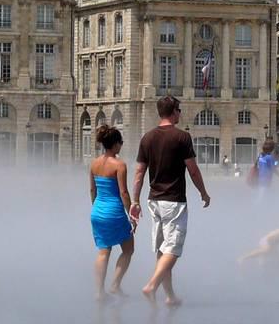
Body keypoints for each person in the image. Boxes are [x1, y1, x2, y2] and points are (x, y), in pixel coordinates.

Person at [134, 96, 212, 307]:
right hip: (174, 201)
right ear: (173, 111)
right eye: (179, 110)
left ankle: (169, 296)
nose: (180, 113)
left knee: (162, 248)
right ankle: (151, 286)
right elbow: (193, 170)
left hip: (154, 200)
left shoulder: (147, 138)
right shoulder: (182, 137)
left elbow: (139, 173)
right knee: (173, 249)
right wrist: (203, 193)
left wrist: (135, 200)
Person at [90, 124, 137, 301]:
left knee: (103, 251)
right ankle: (115, 285)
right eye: (121, 142)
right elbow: (124, 192)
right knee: (128, 249)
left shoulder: (94, 163)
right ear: (116, 144)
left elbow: (92, 190)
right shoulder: (119, 165)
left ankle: (99, 292)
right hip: (114, 211)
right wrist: (132, 214)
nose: (122, 146)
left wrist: (95, 208)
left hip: (97, 211)